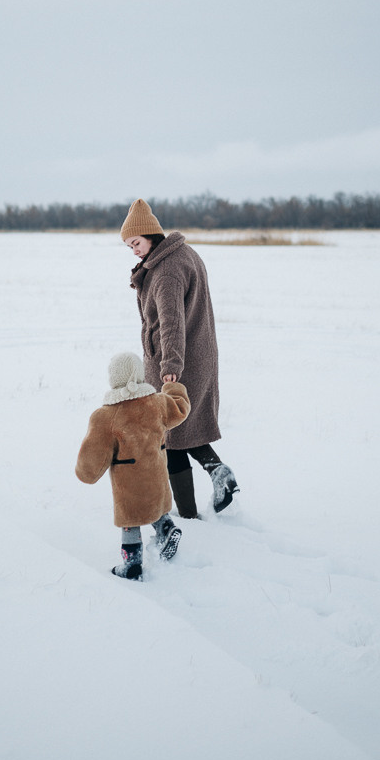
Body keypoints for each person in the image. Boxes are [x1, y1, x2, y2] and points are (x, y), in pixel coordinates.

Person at [120, 197, 240, 520]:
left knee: (171, 438)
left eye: (136, 243)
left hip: (178, 364)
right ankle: (219, 474)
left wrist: (170, 366)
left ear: (150, 235)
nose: (133, 251)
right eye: (129, 246)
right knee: (187, 431)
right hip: (198, 356)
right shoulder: (183, 255)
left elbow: (171, 323)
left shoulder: (166, 271)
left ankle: (189, 516)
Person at [75, 351, 190, 580]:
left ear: (113, 379)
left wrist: (85, 472)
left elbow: (92, 461)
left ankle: (132, 565)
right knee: (157, 507)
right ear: (140, 375)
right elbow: (180, 408)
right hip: (157, 477)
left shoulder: (105, 417)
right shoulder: (157, 403)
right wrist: (171, 388)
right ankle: (167, 529)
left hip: (129, 487)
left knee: (131, 521)